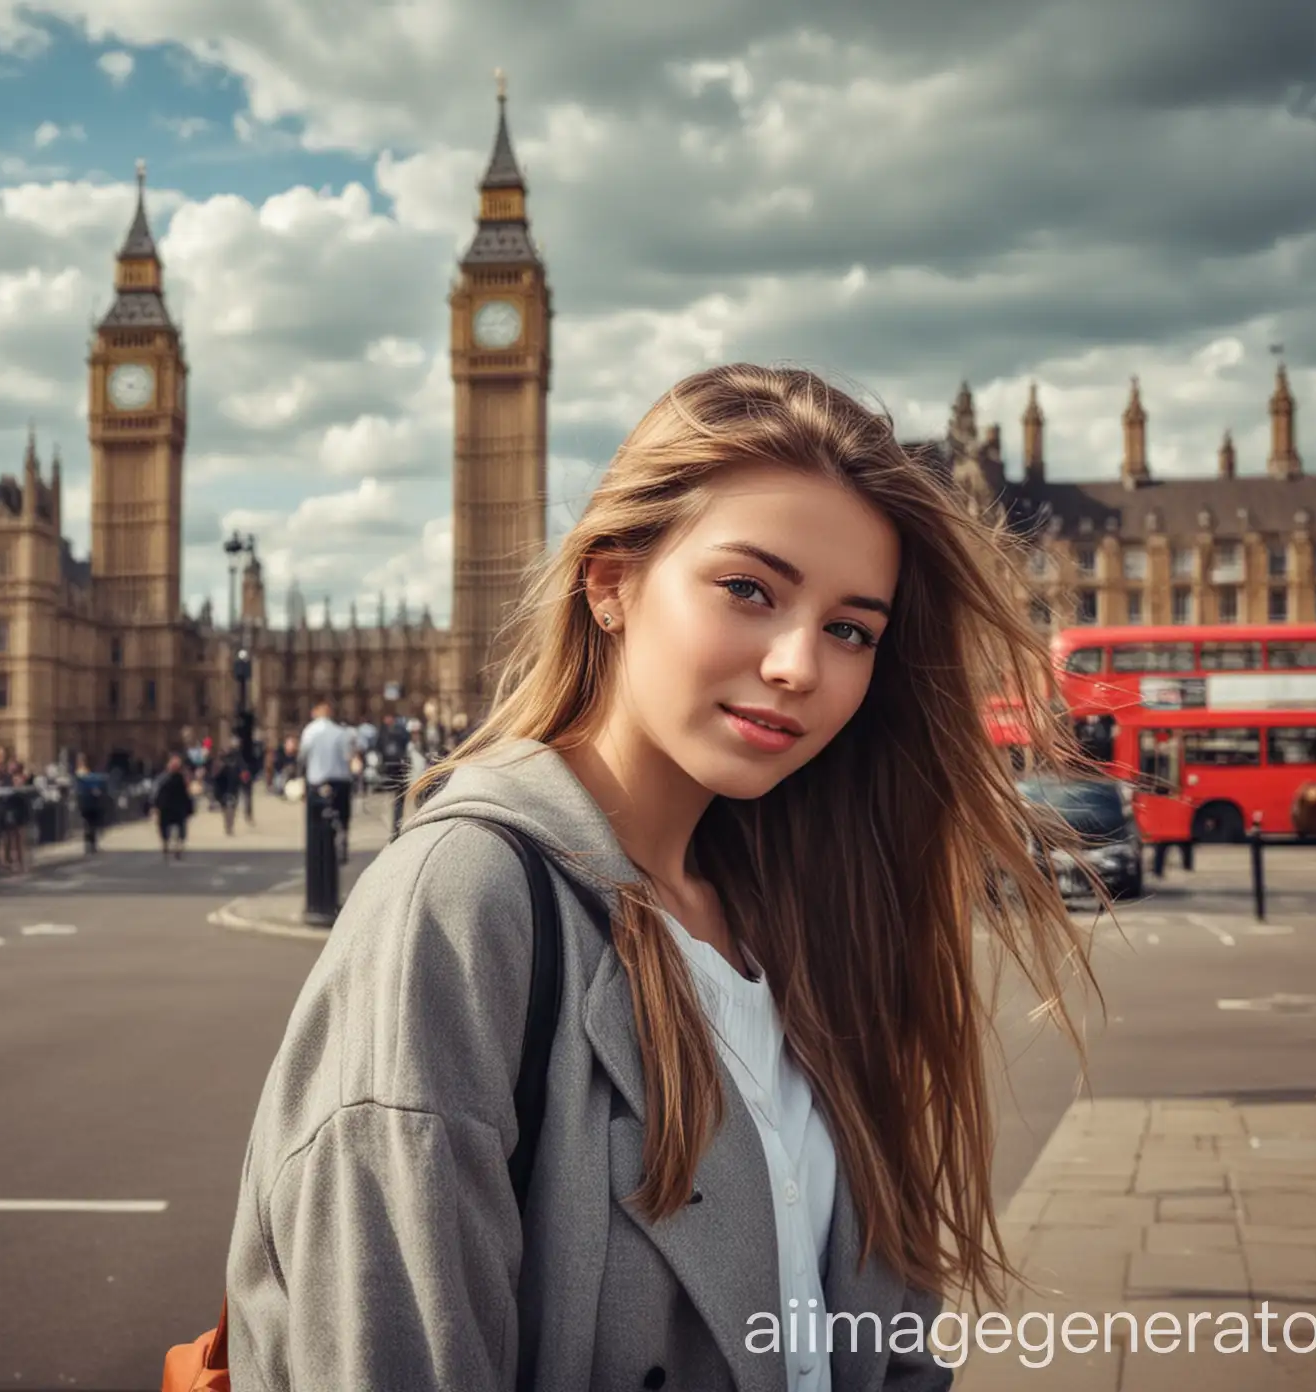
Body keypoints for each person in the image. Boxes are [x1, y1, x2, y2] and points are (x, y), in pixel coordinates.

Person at [220, 365, 1096, 1389]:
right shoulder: (461, 906)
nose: (798, 666)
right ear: (610, 583)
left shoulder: (797, 911)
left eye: (851, 628)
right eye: (748, 590)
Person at [297, 698, 356, 862]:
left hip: (316, 781)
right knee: (343, 815)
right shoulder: (340, 732)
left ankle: (315, 849)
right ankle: (342, 838)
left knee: (314, 819)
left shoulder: (309, 731)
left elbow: (302, 755)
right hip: (340, 780)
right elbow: (348, 756)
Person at [153, 754, 194, 861]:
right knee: (169, 826)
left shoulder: (176, 779)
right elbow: (157, 793)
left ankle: (175, 844)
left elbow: (186, 794)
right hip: (169, 807)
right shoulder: (165, 778)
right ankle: (169, 844)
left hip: (173, 807)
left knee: (176, 826)